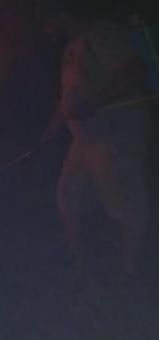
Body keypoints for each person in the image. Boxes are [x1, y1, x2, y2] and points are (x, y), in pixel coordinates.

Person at [41, 8, 153, 275]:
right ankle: (77, 260)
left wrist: (95, 102)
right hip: (86, 138)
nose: (44, 29)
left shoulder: (101, 33)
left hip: (116, 131)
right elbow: (68, 93)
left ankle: (130, 271)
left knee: (125, 201)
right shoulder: (70, 50)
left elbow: (133, 71)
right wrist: (53, 129)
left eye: (45, 20)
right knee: (69, 194)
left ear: (61, 13)